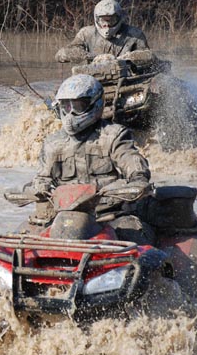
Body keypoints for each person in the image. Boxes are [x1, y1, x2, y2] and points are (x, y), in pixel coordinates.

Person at [27, 74, 155, 245]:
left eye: (78, 106)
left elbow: (131, 161)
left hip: (109, 215)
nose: (71, 113)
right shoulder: (52, 143)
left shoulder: (114, 135)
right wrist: (37, 188)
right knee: (26, 237)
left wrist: (137, 180)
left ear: (95, 104)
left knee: (135, 238)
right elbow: (42, 177)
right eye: (66, 106)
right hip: (63, 217)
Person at [56, 0, 149, 64]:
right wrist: (92, 56)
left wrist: (127, 58)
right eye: (103, 20)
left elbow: (149, 56)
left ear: (119, 18)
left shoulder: (134, 34)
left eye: (111, 20)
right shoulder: (86, 33)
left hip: (128, 79)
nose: (107, 25)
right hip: (92, 79)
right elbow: (61, 54)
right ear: (96, 19)